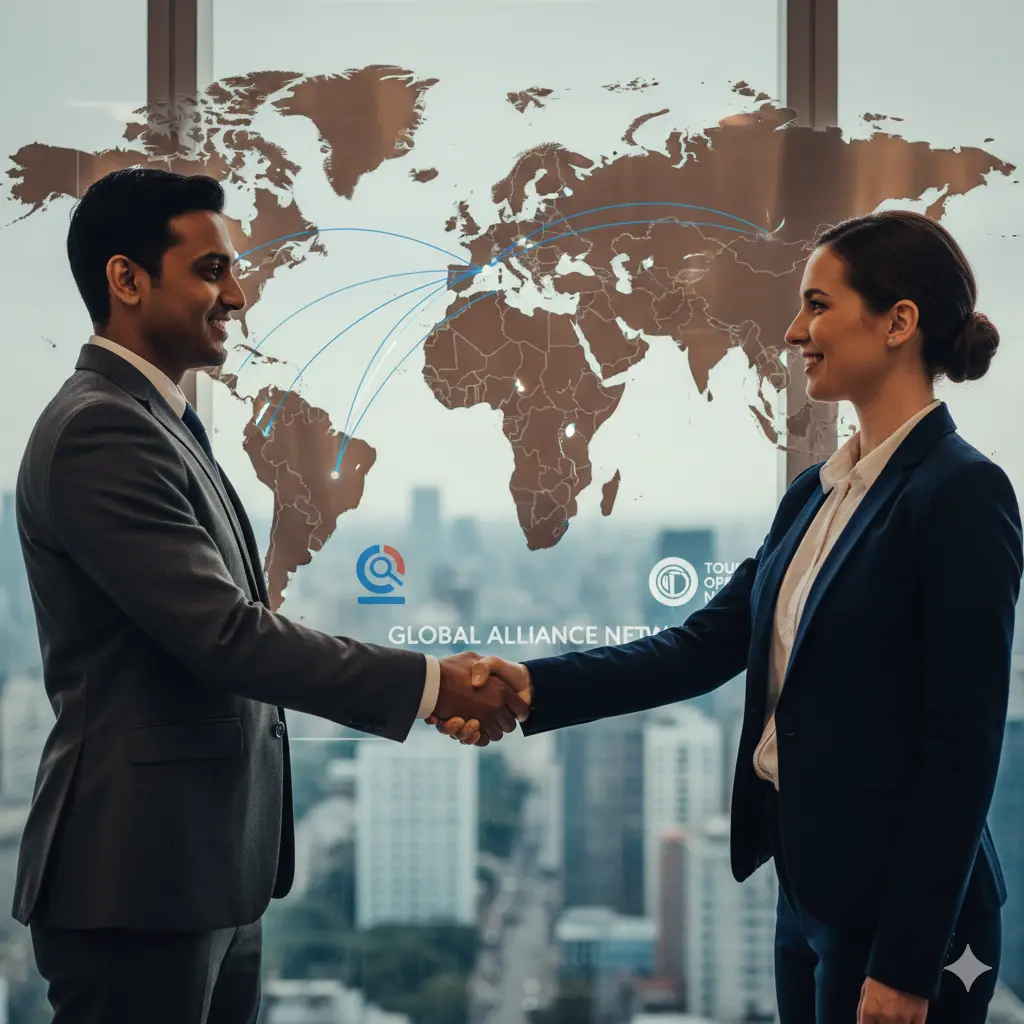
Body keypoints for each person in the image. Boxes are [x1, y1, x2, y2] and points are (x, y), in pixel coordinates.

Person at [433, 210, 1023, 1024]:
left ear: (898, 323)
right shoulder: (816, 494)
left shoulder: (962, 493)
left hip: (908, 922)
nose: (793, 331)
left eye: (818, 305)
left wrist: (906, 964)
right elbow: (700, 646)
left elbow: (963, 745)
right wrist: (532, 685)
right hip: (807, 894)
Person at [13, 167, 528, 1024]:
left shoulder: (155, 421)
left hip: (204, 871)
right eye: (211, 270)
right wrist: (432, 684)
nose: (238, 296)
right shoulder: (100, 429)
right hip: (137, 879)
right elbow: (226, 636)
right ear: (126, 279)